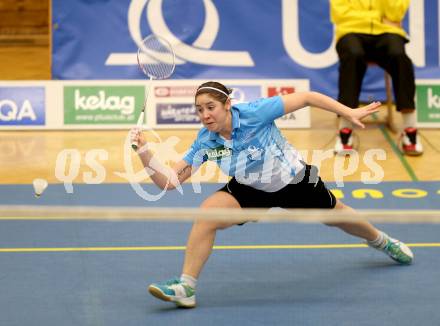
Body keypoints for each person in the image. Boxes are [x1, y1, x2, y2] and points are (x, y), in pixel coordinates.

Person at [130, 81, 414, 308]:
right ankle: (186, 287)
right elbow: (168, 182)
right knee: (207, 214)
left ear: (227, 104)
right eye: (199, 110)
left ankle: (381, 241)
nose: (205, 115)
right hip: (249, 187)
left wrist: (347, 113)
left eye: (211, 107)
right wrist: (144, 151)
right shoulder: (206, 141)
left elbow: (306, 97)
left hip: (294, 179)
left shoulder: (255, 113)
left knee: (337, 216)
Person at [330, 0, 423, 156]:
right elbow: (340, 15)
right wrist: (378, 18)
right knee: (353, 55)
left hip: (386, 34)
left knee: (399, 57)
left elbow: (396, 13)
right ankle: (345, 131)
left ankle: (410, 130)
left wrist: (382, 19)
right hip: (351, 32)